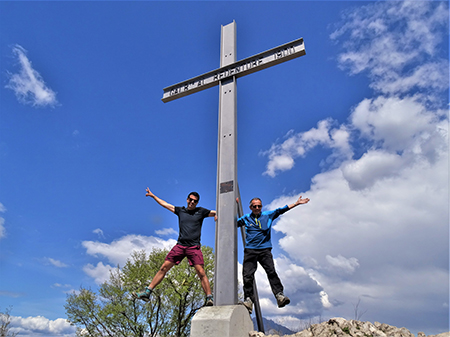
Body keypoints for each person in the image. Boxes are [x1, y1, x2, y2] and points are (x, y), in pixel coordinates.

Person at [133, 188, 217, 306]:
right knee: (164, 267)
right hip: (180, 245)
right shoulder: (180, 211)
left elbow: (217, 211)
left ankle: (209, 298)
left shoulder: (201, 212)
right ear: (187, 199)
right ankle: (148, 291)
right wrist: (153, 196)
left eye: (195, 201)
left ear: (197, 203)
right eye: (191, 200)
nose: (192, 202)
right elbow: (165, 204)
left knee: (201, 271)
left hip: (194, 247)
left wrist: (217, 215)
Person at [237, 195, 310, 313]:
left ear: (261, 207)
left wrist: (296, 203)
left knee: (271, 272)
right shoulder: (246, 218)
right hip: (250, 250)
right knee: (247, 275)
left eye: (259, 206)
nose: (257, 208)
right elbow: (231, 223)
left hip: (265, 250)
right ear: (250, 207)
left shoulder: (268, 215)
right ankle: (249, 300)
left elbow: (281, 210)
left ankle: (279, 295)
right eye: (254, 206)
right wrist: (218, 217)